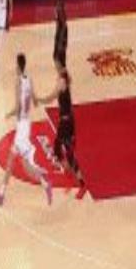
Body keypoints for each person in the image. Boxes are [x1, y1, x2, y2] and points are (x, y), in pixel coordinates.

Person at [0, 53, 52, 206]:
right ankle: (3, 192)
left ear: (18, 66)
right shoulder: (29, 80)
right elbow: (35, 101)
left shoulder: (18, 82)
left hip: (22, 127)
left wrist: (8, 114)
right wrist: (36, 101)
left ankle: (2, 194)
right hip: (26, 125)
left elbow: (18, 107)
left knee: (15, 162)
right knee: (20, 164)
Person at [37, 67, 86, 199]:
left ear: (63, 80)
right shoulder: (64, 86)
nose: (56, 79)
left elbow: (50, 97)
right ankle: (69, 171)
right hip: (65, 122)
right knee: (57, 148)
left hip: (66, 124)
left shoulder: (63, 86)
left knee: (68, 153)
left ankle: (82, 183)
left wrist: (39, 99)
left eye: (58, 78)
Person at [51, 0, 68, 72]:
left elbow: (64, 23)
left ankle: (64, 75)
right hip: (59, 31)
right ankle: (62, 74)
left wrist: (61, 38)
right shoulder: (58, 2)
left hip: (62, 32)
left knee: (58, 57)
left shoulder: (59, 4)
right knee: (56, 57)